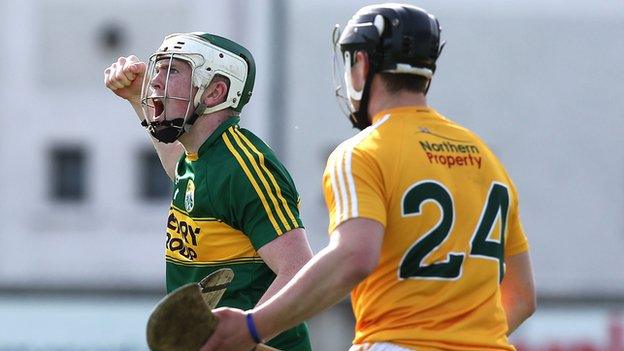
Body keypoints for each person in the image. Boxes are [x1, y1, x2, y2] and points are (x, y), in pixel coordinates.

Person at [201, 4, 536, 351]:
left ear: (361, 63)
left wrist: (253, 326)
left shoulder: (361, 151)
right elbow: (523, 297)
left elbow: (355, 256)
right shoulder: (485, 156)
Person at [103, 32, 313, 350]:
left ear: (215, 92)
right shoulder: (197, 156)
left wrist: (247, 335)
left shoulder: (243, 166)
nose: (154, 82)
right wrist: (136, 98)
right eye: (158, 69)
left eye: (172, 71)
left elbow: (299, 270)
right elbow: (178, 164)